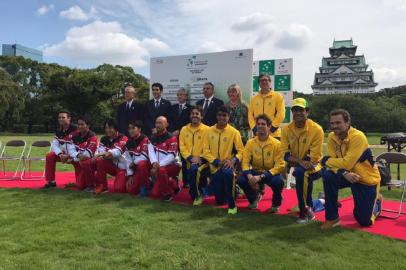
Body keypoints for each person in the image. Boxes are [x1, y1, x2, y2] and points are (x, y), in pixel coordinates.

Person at [320, 109, 382, 229]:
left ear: (347, 123)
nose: (334, 126)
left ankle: (377, 202)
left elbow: (346, 163)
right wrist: (343, 172)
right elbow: (333, 165)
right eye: (332, 123)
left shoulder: (358, 137)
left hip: (365, 179)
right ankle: (332, 219)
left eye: (338, 123)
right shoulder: (332, 137)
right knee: (328, 175)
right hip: (347, 175)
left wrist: (325, 160)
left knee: (364, 221)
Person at [280, 98, 324, 223]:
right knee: (299, 172)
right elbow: (284, 154)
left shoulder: (317, 129)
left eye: (301, 110)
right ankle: (319, 202)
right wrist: (298, 161)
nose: (297, 113)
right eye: (295, 110)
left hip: (316, 165)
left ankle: (305, 212)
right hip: (299, 163)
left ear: (307, 112)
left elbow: (312, 159)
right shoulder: (286, 129)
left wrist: (294, 161)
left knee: (301, 173)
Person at [237, 114, 285, 212]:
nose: (260, 126)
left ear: (269, 126)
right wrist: (250, 176)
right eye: (258, 124)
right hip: (255, 171)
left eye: (263, 124)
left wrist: (261, 177)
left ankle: (276, 204)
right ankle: (254, 198)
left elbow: (280, 165)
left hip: (270, 173)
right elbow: (245, 163)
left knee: (278, 181)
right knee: (241, 179)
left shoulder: (277, 144)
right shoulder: (250, 143)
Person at [202, 106, 244, 214]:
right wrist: (216, 161)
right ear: (216, 116)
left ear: (228, 117)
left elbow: (241, 151)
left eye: (224, 116)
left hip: (228, 165)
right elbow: (205, 151)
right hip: (214, 167)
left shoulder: (234, 132)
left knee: (228, 174)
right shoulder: (208, 131)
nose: (222, 118)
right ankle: (233, 190)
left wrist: (233, 161)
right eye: (220, 115)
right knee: (220, 201)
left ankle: (232, 204)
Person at [179, 106, 210, 205]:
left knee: (194, 170)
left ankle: (198, 194)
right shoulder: (184, 129)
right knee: (192, 171)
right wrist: (190, 158)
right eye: (193, 113)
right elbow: (182, 146)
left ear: (202, 116)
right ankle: (197, 192)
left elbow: (209, 147)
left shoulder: (208, 130)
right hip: (189, 160)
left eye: (197, 114)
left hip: (203, 161)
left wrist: (200, 158)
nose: (194, 115)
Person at [150, 116, 182, 201]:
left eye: (160, 122)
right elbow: (151, 153)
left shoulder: (172, 137)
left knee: (161, 170)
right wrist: (154, 164)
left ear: (166, 124)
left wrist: (157, 166)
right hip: (158, 166)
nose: (157, 125)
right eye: (156, 122)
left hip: (173, 165)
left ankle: (168, 193)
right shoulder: (152, 137)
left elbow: (171, 156)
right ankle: (170, 182)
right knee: (155, 194)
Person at [43, 110, 78, 188]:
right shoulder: (59, 130)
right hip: (64, 154)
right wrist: (61, 154)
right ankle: (51, 181)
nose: (61, 119)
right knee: (50, 156)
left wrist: (69, 156)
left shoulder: (76, 129)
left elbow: (79, 146)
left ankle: (82, 181)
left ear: (69, 118)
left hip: (76, 154)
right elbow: (54, 145)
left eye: (63, 117)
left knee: (81, 184)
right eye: (59, 117)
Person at [94, 119, 128, 194]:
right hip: (112, 165)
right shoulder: (103, 139)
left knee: (119, 190)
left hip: (123, 168)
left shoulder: (123, 138)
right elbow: (101, 153)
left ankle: (127, 179)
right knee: (99, 161)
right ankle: (103, 187)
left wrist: (105, 154)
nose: (108, 130)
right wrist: (104, 155)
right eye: (106, 128)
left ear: (115, 128)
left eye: (110, 128)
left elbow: (117, 152)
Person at [65, 116, 99, 191]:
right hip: (81, 161)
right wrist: (77, 156)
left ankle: (91, 186)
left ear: (88, 126)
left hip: (92, 162)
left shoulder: (92, 136)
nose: (79, 126)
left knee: (86, 162)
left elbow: (88, 155)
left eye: (82, 124)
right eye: (78, 124)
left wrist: (74, 157)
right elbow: (71, 150)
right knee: (80, 186)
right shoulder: (74, 135)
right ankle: (88, 180)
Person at [125, 120, 156, 196]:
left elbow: (144, 157)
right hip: (137, 168)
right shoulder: (128, 142)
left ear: (139, 129)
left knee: (142, 164)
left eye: (133, 128)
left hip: (147, 167)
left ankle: (146, 186)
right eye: (129, 128)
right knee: (131, 190)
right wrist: (130, 175)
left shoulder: (145, 139)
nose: (131, 131)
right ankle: (149, 183)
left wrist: (134, 163)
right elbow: (127, 159)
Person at [248, 74, 285, 138]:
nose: (264, 82)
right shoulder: (254, 99)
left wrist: (271, 129)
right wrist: (255, 129)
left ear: (270, 82)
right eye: (262, 80)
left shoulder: (278, 96)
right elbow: (250, 115)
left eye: (266, 80)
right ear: (259, 83)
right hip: (258, 134)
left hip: (274, 134)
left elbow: (281, 115)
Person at [169, 88, 192, 188]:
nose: (179, 96)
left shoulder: (191, 108)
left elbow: (190, 122)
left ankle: (186, 181)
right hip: (172, 136)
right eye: (178, 94)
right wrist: (171, 132)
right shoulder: (172, 107)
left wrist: (179, 130)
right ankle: (172, 179)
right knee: (171, 158)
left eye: (182, 94)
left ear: (186, 96)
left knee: (184, 159)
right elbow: (168, 121)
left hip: (185, 137)